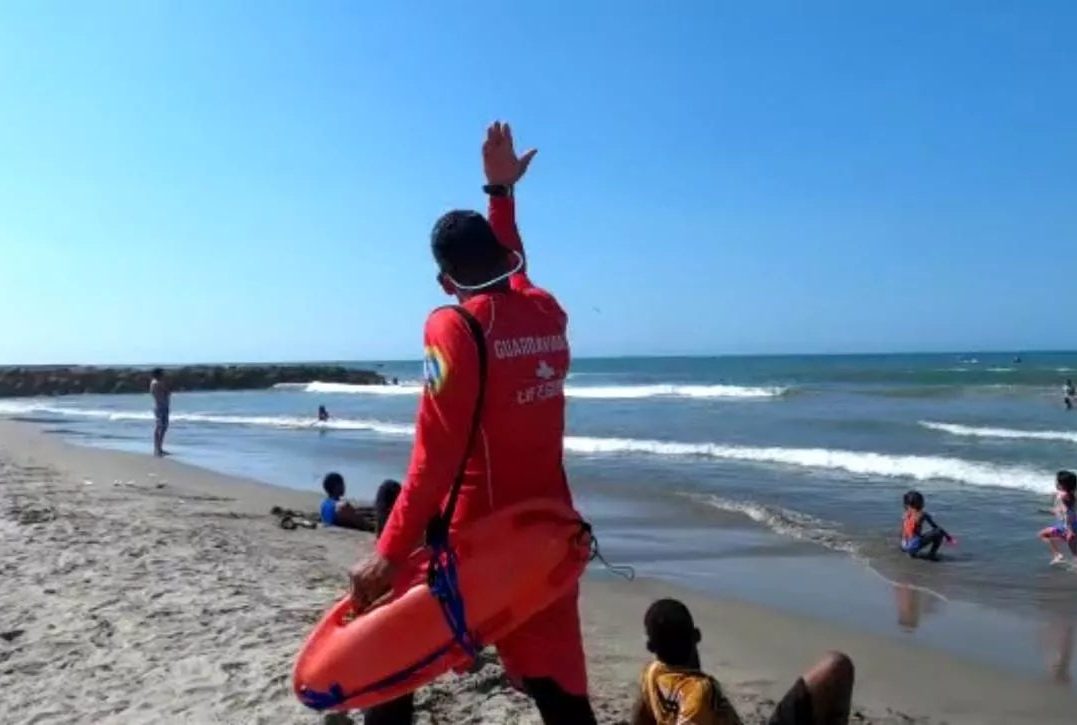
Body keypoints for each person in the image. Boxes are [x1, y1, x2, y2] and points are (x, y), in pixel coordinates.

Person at [349, 122, 593, 725]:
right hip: (547, 531)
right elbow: (515, 274)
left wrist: (388, 552)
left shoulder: (453, 331)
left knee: (388, 661)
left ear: (444, 281)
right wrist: (500, 192)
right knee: (562, 698)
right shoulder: (547, 311)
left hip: (474, 543)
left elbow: (433, 460)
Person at [631, 598, 855, 725]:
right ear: (697, 635)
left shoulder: (650, 675)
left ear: (651, 647)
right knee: (836, 665)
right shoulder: (699, 692)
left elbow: (641, 717)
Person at [1038, 470, 1077, 569]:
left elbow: (1068, 512)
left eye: (1058, 481)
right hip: (1072, 527)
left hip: (1068, 527)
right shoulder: (1073, 495)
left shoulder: (1064, 495)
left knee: (1042, 534)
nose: (1056, 483)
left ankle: (1057, 555)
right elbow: (1061, 510)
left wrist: (1070, 530)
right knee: (1075, 552)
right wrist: (1047, 511)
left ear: (1063, 484)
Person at [900, 490, 952, 561]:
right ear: (919, 503)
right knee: (938, 532)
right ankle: (931, 555)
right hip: (912, 546)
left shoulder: (905, 515)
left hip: (904, 545)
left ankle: (911, 553)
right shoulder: (922, 514)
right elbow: (936, 527)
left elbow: (904, 530)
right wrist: (948, 538)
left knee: (913, 536)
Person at [149, 368, 171, 456]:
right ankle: (158, 449)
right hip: (161, 407)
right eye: (162, 374)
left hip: (161, 406)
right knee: (161, 427)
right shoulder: (157, 383)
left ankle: (158, 448)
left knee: (161, 427)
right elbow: (167, 392)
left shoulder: (155, 383)